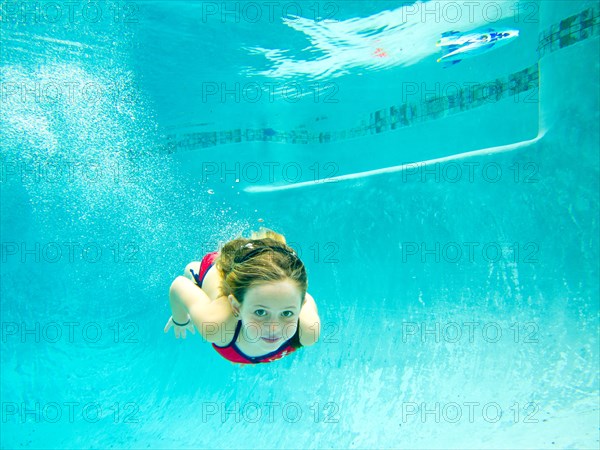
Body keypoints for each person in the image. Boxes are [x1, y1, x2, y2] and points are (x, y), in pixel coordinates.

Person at [164, 227, 321, 365]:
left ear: (300, 308)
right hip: (213, 271)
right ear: (236, 306)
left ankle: (264, 258)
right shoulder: (215, 326)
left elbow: (304, 299)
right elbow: (178, 285)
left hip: (268, 288)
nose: (274, 328)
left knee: (279, 289)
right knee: (195, 270)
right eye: (260, 312)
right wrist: (181, 320)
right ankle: (200, 270)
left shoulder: (308, 331)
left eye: (287, 313)